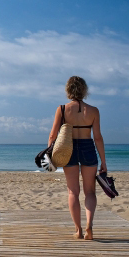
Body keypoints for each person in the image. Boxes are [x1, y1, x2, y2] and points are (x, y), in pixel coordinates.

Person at [48, 76, 106, 240]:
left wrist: (50, 155)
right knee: (90, 192)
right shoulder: (94, 110)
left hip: (69, 149)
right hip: (88, 147)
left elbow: (53, 135)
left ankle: (78, 230)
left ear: (68, 90)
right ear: (84, 90)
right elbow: (98, 137)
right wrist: (103, 161)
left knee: (73, 191)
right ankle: (89, 225)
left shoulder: (62, 109)